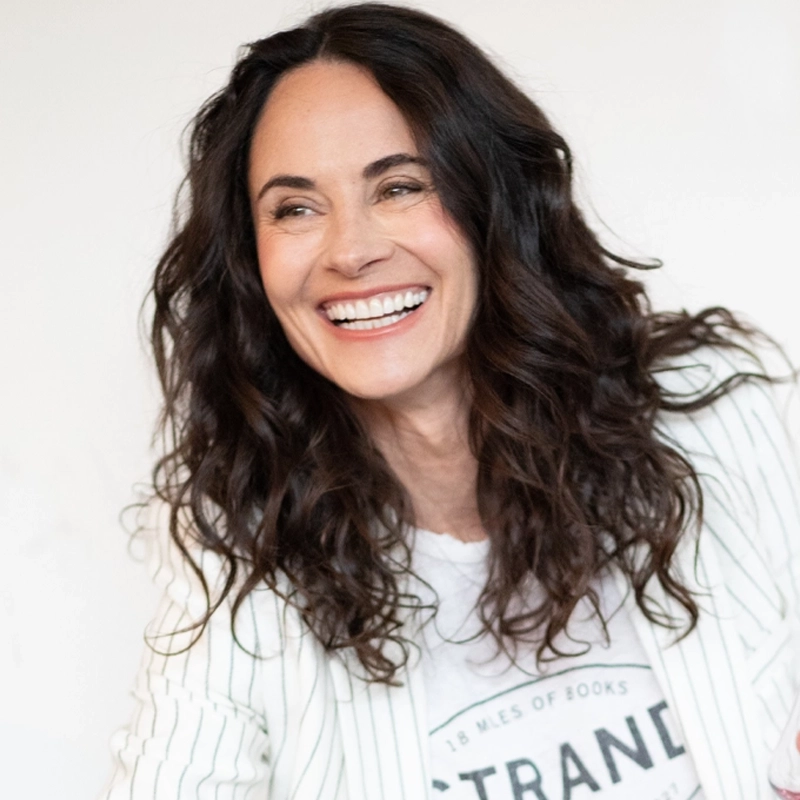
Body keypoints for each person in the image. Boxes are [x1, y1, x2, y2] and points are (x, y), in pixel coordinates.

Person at [101, 3, 800, 799]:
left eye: (400, 187)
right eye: (295, 208)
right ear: (251, 262)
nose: (352, 250)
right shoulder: (233, 538)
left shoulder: (718, 412)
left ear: (493, 203)